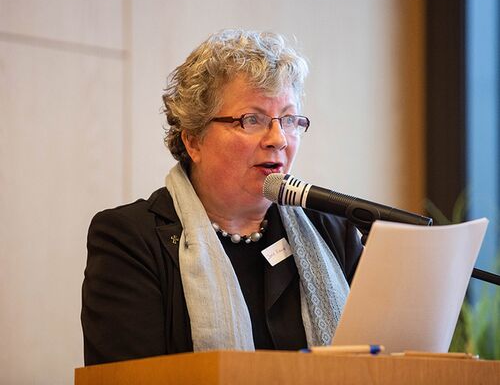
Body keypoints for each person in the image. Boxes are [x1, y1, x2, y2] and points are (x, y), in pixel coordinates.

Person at [81, 29, 363, 366]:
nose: (278, 139)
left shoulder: (334, 233)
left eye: (288, 119)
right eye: (252, 120)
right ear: (193, 141)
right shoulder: (130, 240)